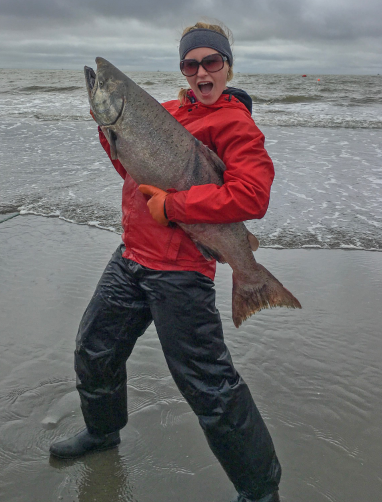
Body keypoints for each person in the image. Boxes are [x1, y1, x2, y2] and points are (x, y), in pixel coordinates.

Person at [49, 21, 282, 502]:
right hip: (131, 257)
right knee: (94, 350)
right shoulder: (168, 112)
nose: (201, 71)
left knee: (210, 389)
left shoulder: (236, 124)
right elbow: (129, 168)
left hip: (181, 273)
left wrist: (174, 208)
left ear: (226, 66)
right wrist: (108, 129)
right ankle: (103, 433)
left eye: (210, 62)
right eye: (190, 63)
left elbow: (251, 195)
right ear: (183, 69)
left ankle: (261, 492)